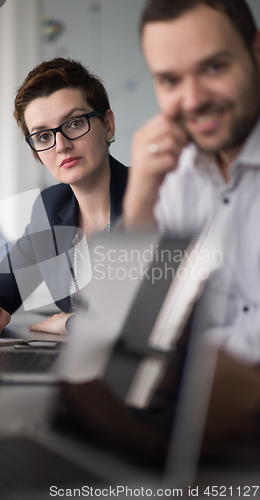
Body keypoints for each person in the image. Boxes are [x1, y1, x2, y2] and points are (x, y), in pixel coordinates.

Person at [123, 0, 260, 364]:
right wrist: (139, 206)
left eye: (214, 67)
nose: (194, 100)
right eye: (170, 80)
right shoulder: (171, 175)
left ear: (256, 52)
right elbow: (135, 326)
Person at [0, 58, 128, 337]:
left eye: (75, 123)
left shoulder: (154, 197)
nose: (62, 145)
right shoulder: (51, 208)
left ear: (108, 124)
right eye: (43, 136)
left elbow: (161, 317)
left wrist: (70, 323)